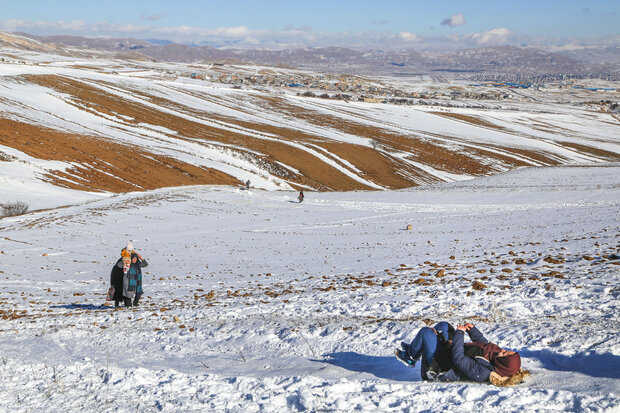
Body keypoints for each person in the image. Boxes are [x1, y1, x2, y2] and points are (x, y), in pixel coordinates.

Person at [449, 323, 526, 386]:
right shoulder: (496, 358)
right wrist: (473, 331)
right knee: (444, 325)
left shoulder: (483, 373)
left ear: (502, 363)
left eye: (504, 353)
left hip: (444, 360)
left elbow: (458, 359)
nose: (502, 350)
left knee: (440, 331)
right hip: (450, 347)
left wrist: (459, 333)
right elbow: (484, 346)